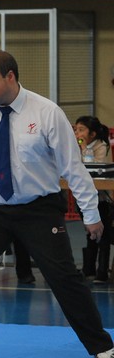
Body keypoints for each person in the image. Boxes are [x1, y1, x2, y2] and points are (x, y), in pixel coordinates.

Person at [0, 49, 114, 358]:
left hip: (39, 207)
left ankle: (103, 347)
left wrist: (91, 215)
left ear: (10, 76)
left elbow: (73, 168)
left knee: (63, 276)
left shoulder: (47, 112)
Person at [74, 115, 112, 283]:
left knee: (103, 235)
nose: (78, 134)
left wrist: (84, 149)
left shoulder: (101, 145)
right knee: (90, 233)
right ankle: (88, 269)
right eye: (76, 130)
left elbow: (96, 166)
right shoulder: (77, 146)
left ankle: (102, 271)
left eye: (81, 130)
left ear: (92, 134)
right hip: (83, 196)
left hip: (101, 198)